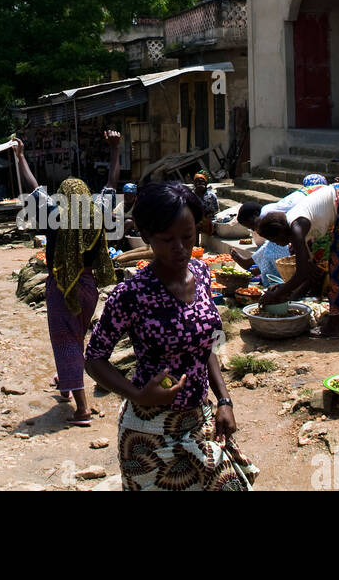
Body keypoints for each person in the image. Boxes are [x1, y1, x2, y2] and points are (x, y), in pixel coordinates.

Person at [84, 182, 256, 491]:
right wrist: (137, 394)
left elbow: (208, 344)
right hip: (148, 435)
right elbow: (94, 359)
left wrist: (224, 400)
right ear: (147, 237)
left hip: (199, 422)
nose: (180, 248)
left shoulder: (202, 273)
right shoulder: (131, 294)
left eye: (188, 237)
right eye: (166, 239)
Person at [13, 136, 117, 427]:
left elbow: (34, 189)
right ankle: (66, 382)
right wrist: (115, 150)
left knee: (66, 342)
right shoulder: (98, 214)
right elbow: (111, 185)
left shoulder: (54, 215)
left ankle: (82, 408)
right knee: (75, 338)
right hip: (89, 289)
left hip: (62, 288)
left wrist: (21, 157)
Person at [257, 181, 339, 336]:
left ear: (279, 232)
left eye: (274, 240)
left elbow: (301, 272)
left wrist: (277, 294)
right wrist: (289, 294)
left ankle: (335, 325)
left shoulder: (297, 227)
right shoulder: (298, 228)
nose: (278, 244)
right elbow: (310, 272)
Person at [192, 172, 220, 241]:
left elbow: (216, 210)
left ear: (206, 183)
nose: (200, 183)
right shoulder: (191, 195)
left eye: (202, 181)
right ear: (194, 184)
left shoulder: (211, 195)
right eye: (197, 182)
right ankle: (195, 248)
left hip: (209, 221)